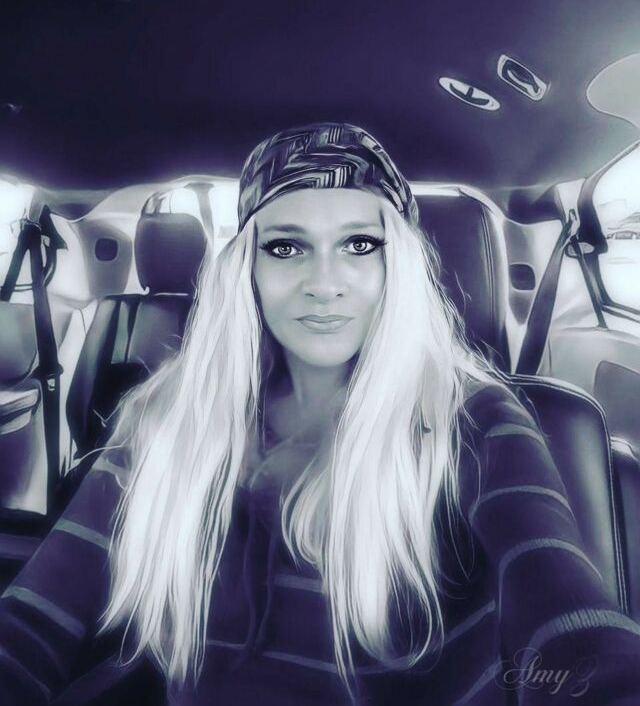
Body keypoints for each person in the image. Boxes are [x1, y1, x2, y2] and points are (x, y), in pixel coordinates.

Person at [0, 122, 639, 705]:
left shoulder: (474, 420)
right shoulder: (169, 416)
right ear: (245, 269)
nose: (324, 283)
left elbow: (574, 630)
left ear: (398, 266)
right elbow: (32, 620)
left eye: (360, 244)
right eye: (286, 247)